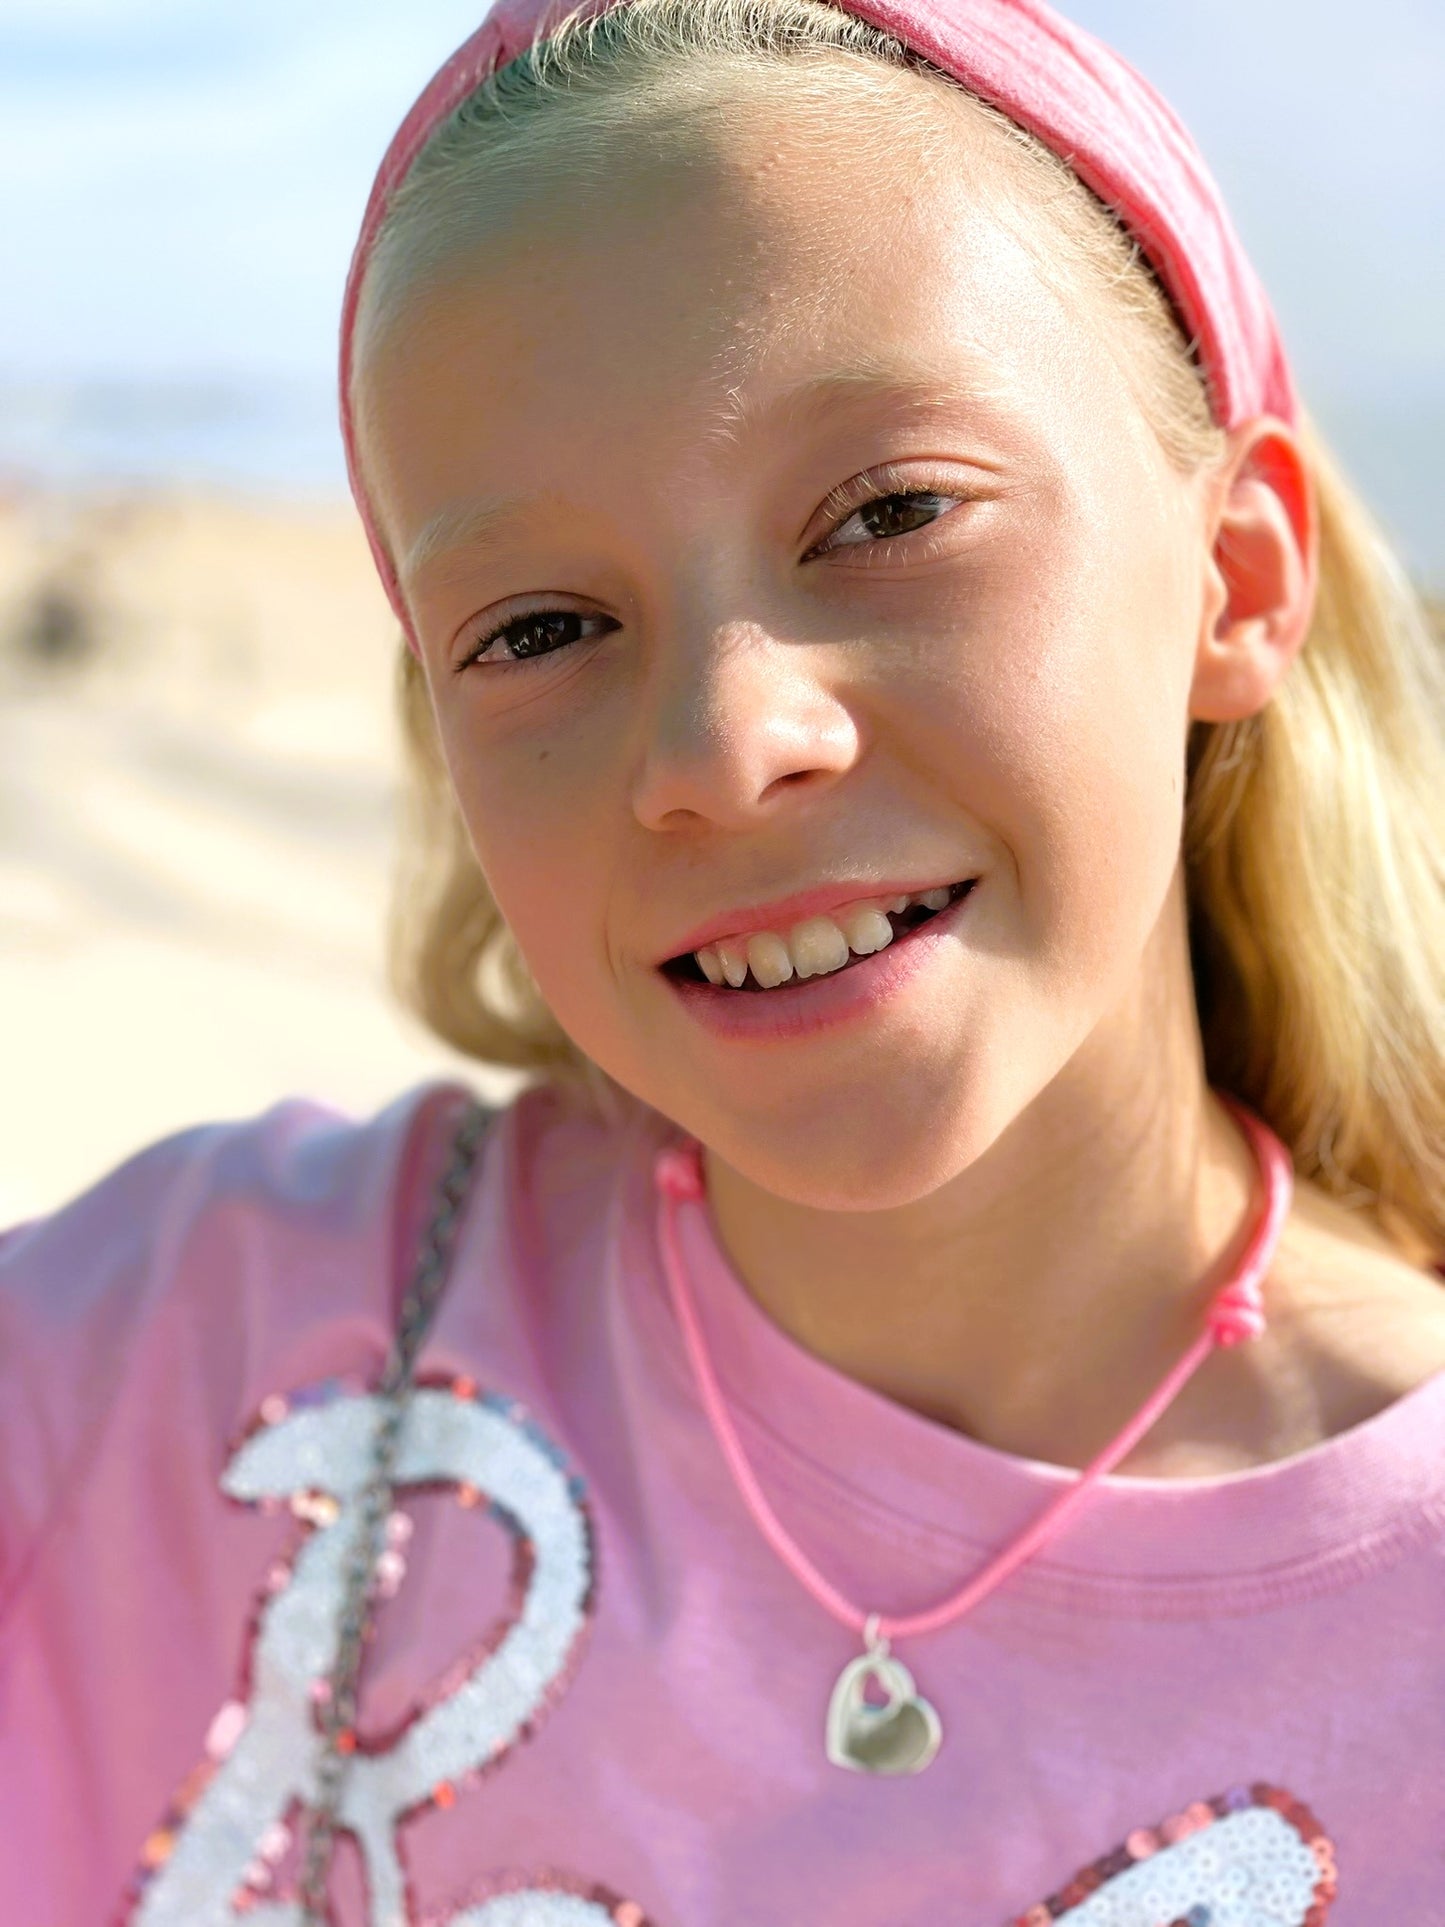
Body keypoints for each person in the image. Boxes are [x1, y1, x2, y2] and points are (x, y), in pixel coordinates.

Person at [2, 0, 1443, 1920]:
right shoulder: (180, 1354)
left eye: (888, 514)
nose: (717, 745)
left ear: (1234, 578)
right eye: (538, 628)